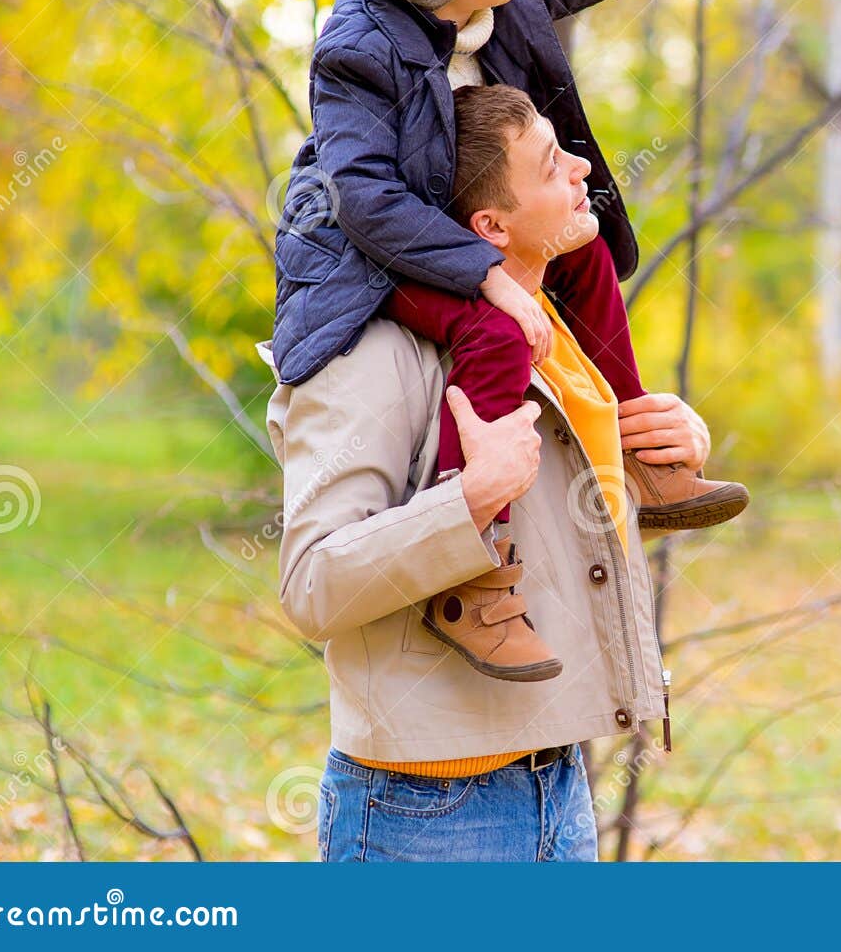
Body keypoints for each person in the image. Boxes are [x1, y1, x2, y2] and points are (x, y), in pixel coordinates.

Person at [258, 82, 713, 860]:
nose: (581, 169)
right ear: (489, 225)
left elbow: (558, 525)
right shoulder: (373, 355)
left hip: (557, 782)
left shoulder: (556, 331)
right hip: (422, 814)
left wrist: (667, 445)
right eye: (548, 166)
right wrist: (466, 500)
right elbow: (311, 583)